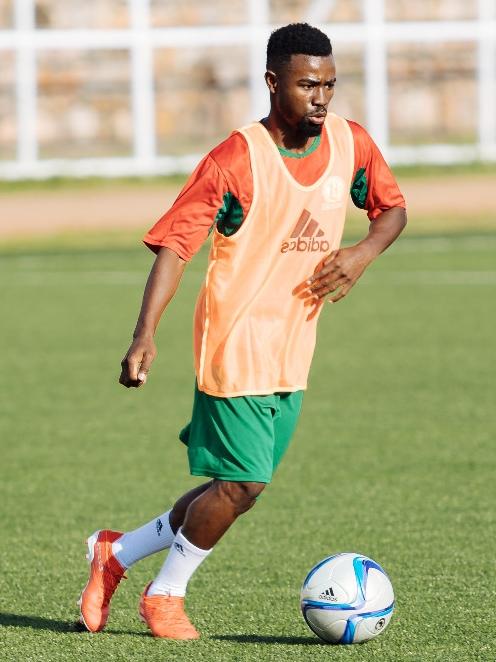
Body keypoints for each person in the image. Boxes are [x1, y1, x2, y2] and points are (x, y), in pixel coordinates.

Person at [77, 22, 407, 640]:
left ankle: (114, 555)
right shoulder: (236, 159)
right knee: (243, 483)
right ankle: (165, 597)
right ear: (272, 82)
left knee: (232, 487)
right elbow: (176, 245)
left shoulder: (350, 143)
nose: (322, 97)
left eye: (330, 84)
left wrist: (361, 255)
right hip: (236, 343)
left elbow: (393, 209)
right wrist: (144, 334)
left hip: (294, 347)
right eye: (308, 85)